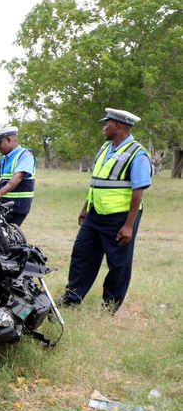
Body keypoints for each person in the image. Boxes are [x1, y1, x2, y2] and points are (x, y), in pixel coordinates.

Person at [59, 108, 152, 312]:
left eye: (107, 123)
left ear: (118, 125)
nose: (104, 127)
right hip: (94, 214)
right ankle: (72, 298)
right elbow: (96, 183)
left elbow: (138, 191)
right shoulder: (105, 148)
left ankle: (110, 306)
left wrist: (128, 225)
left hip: (119, 218)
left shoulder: (138, 154)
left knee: (118, 263)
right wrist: (85, 208)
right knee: (82, 255)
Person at [0, 126, 36, 226]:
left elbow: (18, 177)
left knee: (3, 235)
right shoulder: (6, 158)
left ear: (8, 140)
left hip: (17, 206)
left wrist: (0, 192)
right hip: (6, 204)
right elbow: (5, 180)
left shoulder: (25, 155)